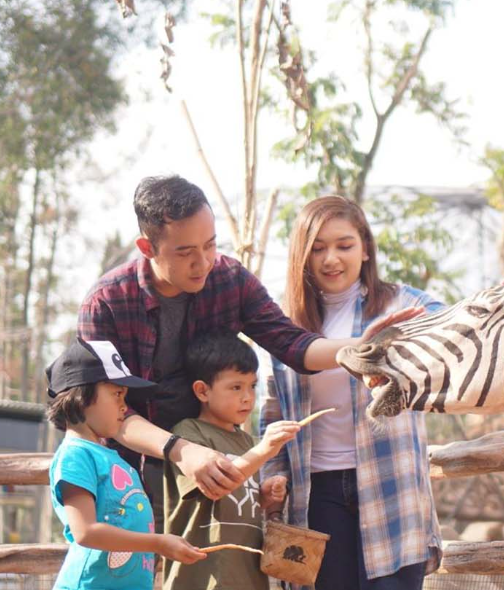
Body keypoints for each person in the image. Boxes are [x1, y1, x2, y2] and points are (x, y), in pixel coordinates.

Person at [77, 175, 422, 533]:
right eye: (185, 252)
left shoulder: (230, 280)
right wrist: (182, 451)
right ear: (147, 248)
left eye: (210, 245)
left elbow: (293, 344)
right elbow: (107, 414)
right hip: (128, 474)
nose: (204, 262)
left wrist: (357, 348)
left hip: (218, 466)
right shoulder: (106, 304)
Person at [261, 196, 443, 590]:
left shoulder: (404, 305)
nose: (331, 259)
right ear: (302, 256)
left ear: (365, 248)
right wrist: (272, 477)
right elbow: (273, 411)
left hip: (390, 483)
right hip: (317, 492)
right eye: (318, 248)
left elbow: (457, 326)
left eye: (344, 245)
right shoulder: (285, 323)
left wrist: (501, 302)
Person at [45, 338, 206, 590]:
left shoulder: (110, 456)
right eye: (117, 394)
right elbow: (85, 531)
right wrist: (157, 543)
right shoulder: (76, 455)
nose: (124, 406)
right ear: (81, 397)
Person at [163, 333, 301, 590]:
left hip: (247, 578)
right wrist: (265, 450)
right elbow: (217, 486)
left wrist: (266, 496)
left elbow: (240, 502)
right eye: (236, 387)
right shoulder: (188, 434)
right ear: (202, 391)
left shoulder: (247, 442)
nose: (248, 396)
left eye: (252, 386)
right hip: (201, 579)